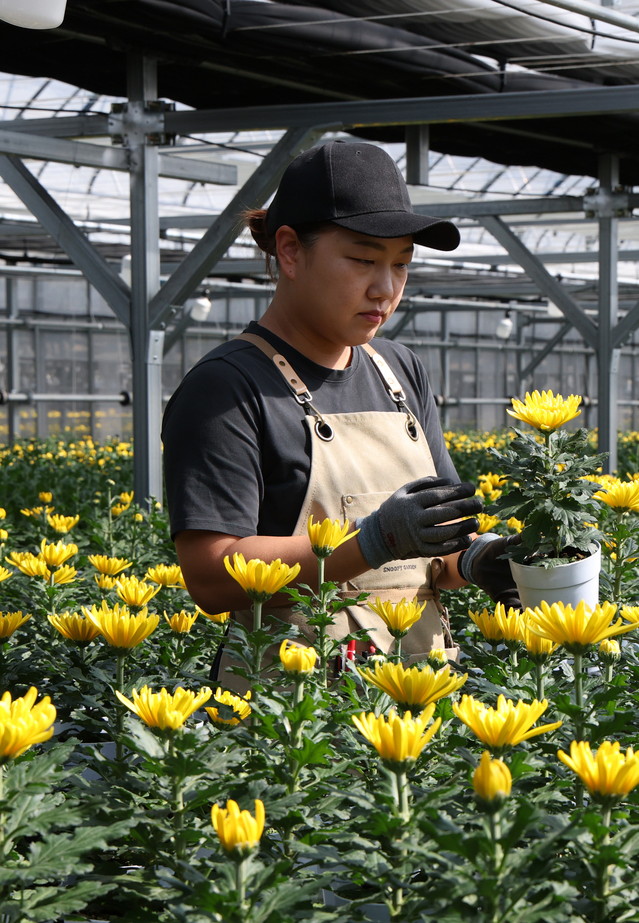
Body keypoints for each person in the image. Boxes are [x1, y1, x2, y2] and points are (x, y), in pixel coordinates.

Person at [162, 140, 521, 693]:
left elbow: (436, 546)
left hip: (417, 697)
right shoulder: (227, 388)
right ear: (289, 250)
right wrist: (372, 541)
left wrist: (478, 560)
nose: (386, 289)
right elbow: (213, 577)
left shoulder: (400, 371)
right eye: (362, 260)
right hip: (290, 722)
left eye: (401, 264)